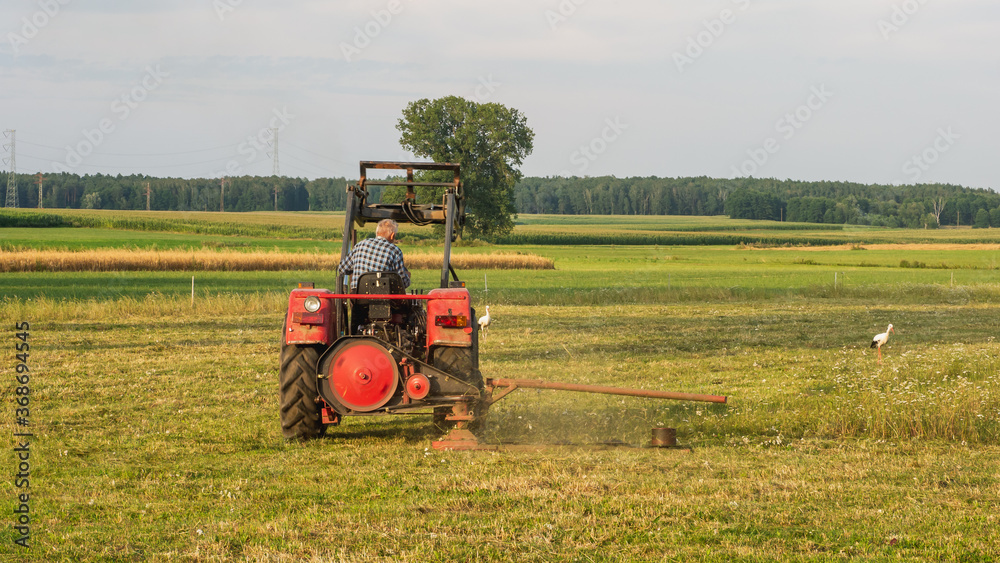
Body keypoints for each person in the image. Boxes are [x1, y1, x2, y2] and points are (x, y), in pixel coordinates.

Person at [337, 218, 411, 292]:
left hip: (358, 299)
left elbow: (342, 269)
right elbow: (403, 283)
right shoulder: (395, 251)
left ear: (377, 232)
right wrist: (407, 276)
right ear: (392, 235)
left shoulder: (360, 245)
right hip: (383, 298)